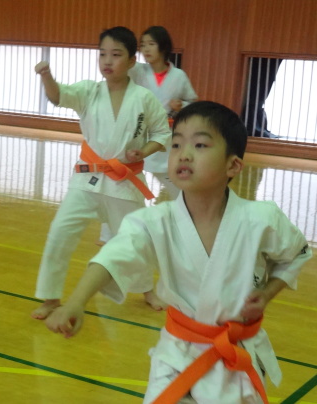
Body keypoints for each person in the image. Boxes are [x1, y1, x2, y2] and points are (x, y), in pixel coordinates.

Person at [46, 101, 312, 403]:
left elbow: (296, 254)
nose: (184, 154)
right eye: (176, 145)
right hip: (176, 357)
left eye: (200, 145)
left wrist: (266, 294)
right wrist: (76, 302)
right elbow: (111, 258)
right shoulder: (154, 221)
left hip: (237, 356)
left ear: (233, 166)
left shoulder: (261, 219)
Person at [30, 26, 171, 320]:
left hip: (125, 181)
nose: (107, 61)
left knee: (135, 238)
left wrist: (143, 152)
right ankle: (51, 296)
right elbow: (58, 96)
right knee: (59, 232)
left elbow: (162, 133)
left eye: (116, 55)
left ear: (131, 61)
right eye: (103, 54)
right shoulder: (89, 91)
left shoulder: (144, 98)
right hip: (87, 178)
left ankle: (147, 289)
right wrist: (46, 76)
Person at [98, 25, 199, 310]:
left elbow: (193, 101)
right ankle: (108, 236)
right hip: (133, 148)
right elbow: (115, 82)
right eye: (142, 45)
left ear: (163, 46)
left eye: (150, 44)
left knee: (180, 193)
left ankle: (186, 229)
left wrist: (182, 103)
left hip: (162, 142)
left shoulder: (178, 76)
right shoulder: (136, 71)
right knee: (119, 200)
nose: (145, 49)